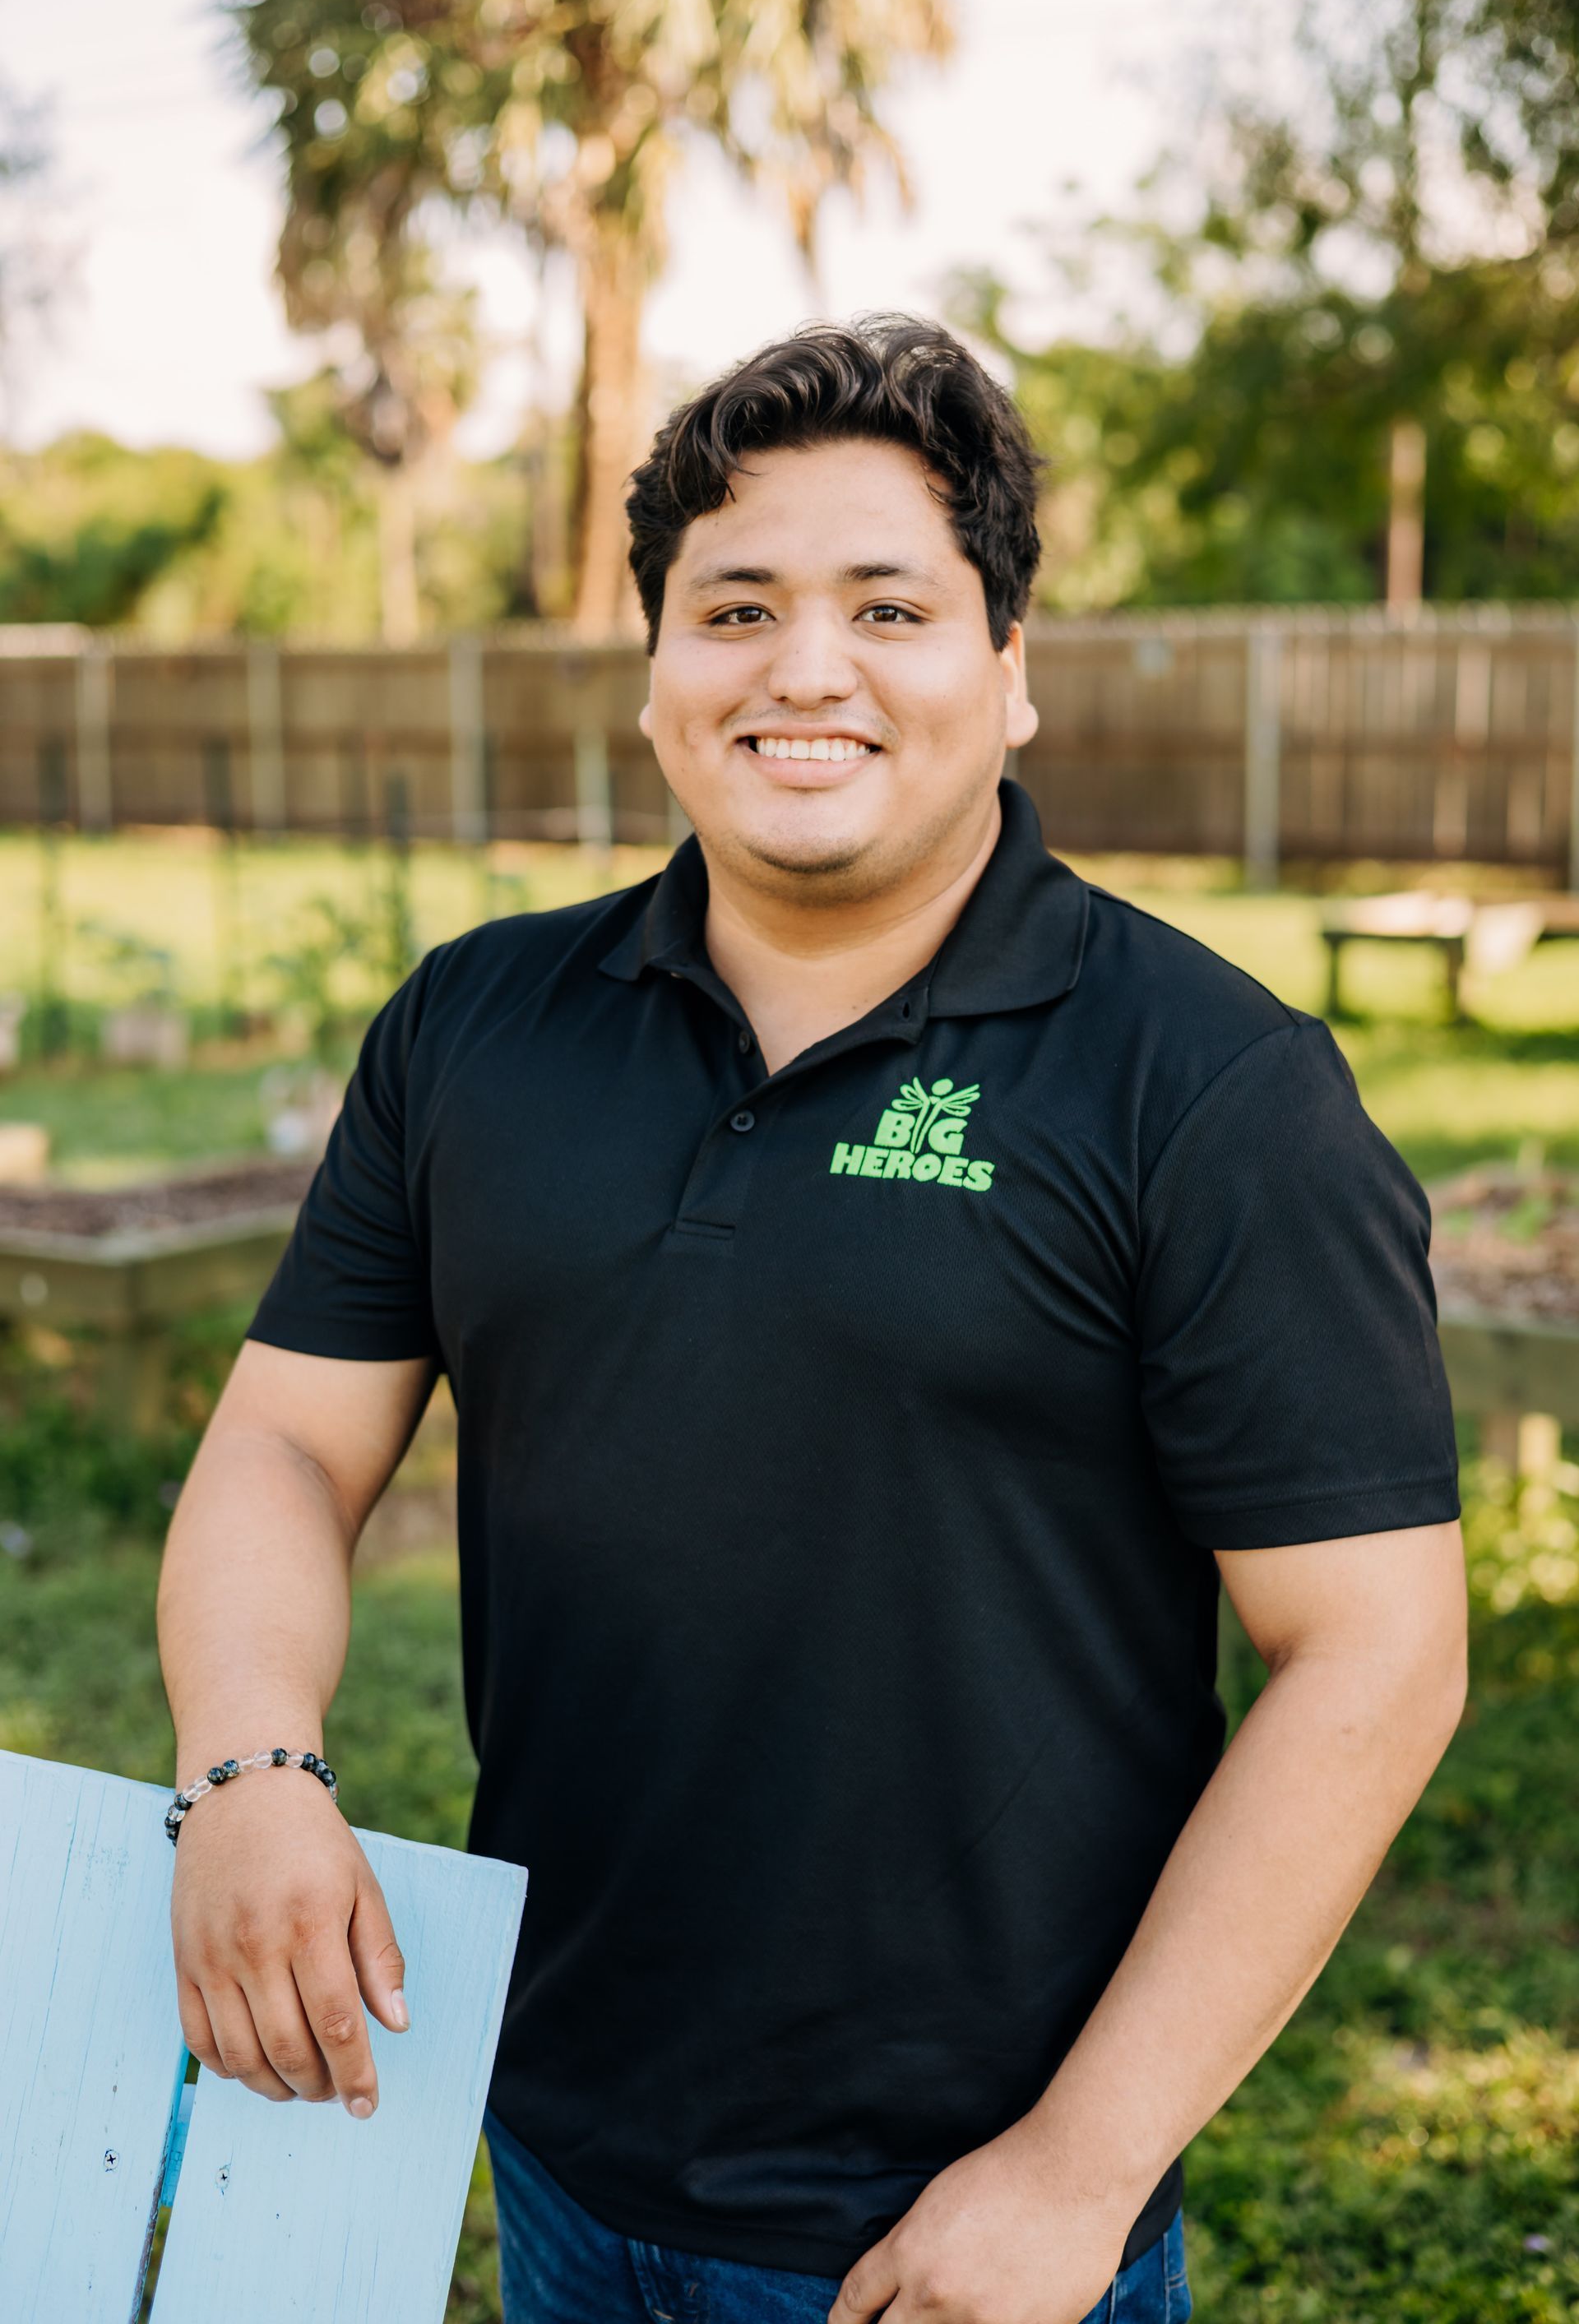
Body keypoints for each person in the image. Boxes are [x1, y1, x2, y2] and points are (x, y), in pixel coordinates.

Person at [158, 315, 1467, 2324]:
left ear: (1009, 670)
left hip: (970, 2219)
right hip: (555, 2142)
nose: (806, 669)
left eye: (891, 607)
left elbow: (1373, 1655)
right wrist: (248, 1770)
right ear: (660, 672)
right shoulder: (474, 1027)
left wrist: (1073, 2173)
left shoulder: (1207, 1087)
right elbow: (284, 1442)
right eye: (736, 606)